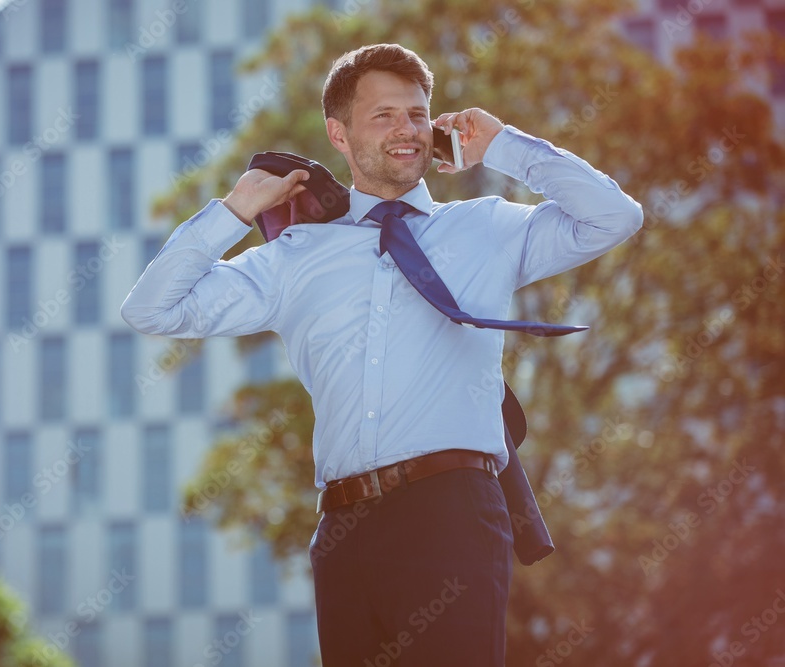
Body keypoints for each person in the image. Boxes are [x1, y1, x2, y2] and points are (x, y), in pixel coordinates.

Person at [121, 43, 642, 666]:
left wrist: (503, 147)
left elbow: (613, 216)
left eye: (418, 114)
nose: (408, 131)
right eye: (384, 115)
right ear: (338, 134)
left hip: (450, 512)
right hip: (342, 527)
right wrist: (233, 213)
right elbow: (152, 309)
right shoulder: (297, 256)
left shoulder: (486, 228)